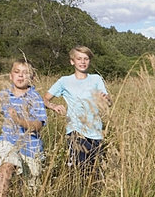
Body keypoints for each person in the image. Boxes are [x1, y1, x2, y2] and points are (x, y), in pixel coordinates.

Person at [43, 46, 113, 176]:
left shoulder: (96, 79)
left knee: (94, 172)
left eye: (86, 59)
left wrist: (106, 100)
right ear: (72, 61)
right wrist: (53, 106)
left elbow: (108, 103)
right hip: (75, 130)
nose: (82, 62)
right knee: (80, 169)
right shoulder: (64, 81)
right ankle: (76, 192)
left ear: (89, 61)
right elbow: (45, 99)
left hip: (95, 131)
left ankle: (90, 195)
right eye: (79, 58)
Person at [0, 59, 47, 197]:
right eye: (17, 72)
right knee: (5, 169)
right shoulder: (4, 95)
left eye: (26, 73)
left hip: (31, 148)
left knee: (31, 194)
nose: (21, 76)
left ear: (32, 78)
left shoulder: (35, 98)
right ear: (11, 76)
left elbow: (38, 125)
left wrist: (19, 120)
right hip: (8, 141)